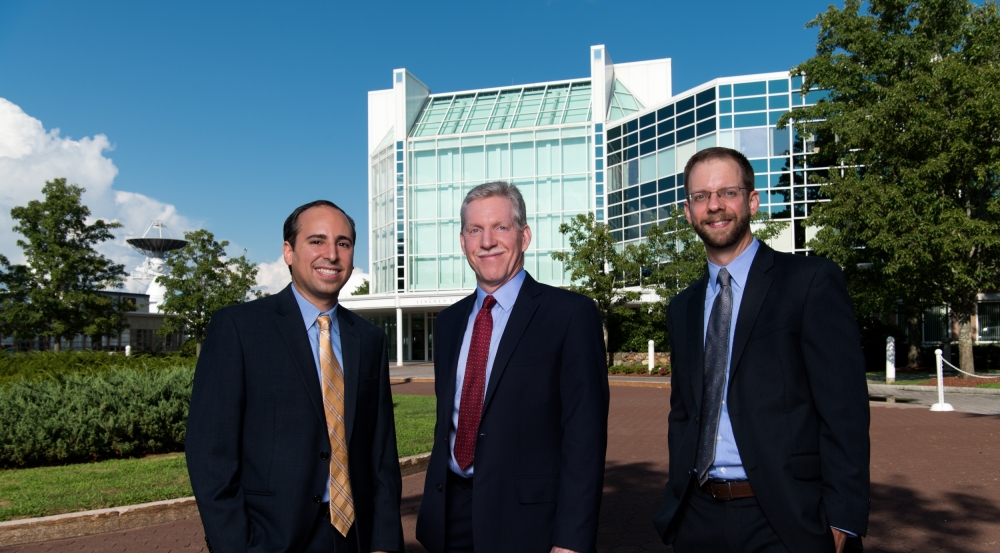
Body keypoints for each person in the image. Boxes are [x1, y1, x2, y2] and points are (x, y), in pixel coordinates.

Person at [652, 147, 870, 553]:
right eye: (701, 196)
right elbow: (683, 412)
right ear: (688, 211)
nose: (714, 206)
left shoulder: (808, 282)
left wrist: (845, 514)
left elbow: (845, 409)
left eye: (727, 192)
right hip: (698, 517)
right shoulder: (682, 307)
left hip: (786, 517)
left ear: (751, 201)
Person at [186, 200, 403, 553]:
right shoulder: (239, 329)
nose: (331, 254)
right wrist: (235, 545)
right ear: (288, 252)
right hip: (270, 538)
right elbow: (210, 455)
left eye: (343, 243)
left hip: (354, 537)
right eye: (317, 241)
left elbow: (380, 453)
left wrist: (384, 542)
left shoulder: (369, 339)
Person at [416, 181, 609, 553]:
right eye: (475, 230)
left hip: (529, 525)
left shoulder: (569, 315)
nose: (487, 240)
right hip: (449, 518)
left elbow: (584, 440)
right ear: (463, 242)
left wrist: (571, 540)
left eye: (500, 227)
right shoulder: (449, 323)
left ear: (524, 236)